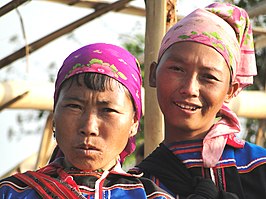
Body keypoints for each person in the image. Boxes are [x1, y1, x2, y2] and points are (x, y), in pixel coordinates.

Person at [0, 43, 173, 199]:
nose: (89, 127)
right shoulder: (11, 192)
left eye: (108, 110)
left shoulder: (150, 197)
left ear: (134, 123)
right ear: (55, 115)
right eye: (74, 107)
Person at [130, 2, 266, 199]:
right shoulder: (134, 186)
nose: (189, 89)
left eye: (209, 77)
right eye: (177, 69)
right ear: (153, 74)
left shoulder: (258, 167)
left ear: (231, 90)